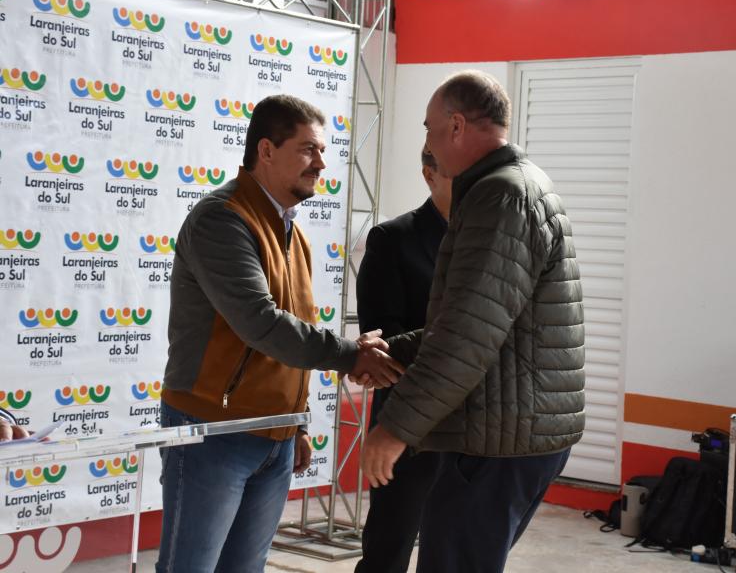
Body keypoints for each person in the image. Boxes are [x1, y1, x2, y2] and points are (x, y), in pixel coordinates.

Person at [156, 94, 403, 573]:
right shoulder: (221, 220)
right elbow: (261, 323)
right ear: (266, 150)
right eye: (308, 150)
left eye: (322, 151)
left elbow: (296, 330)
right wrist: (352, 355)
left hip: (276, 436)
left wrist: (297, 424)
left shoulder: (293, 231)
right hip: (213, 431)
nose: (321, 164)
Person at [362, 71, 586, 573]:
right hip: (511, 430)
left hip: (499, 439)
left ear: (457, 125)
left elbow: (466, 336)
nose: (428, 143)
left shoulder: (500, 197)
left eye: (429, 129)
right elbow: (479, 321)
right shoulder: (517, 186)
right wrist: (391, 351)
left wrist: (394, 428)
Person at [354, 146, 451, 573]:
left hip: (474, 429)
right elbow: (385, 347)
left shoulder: (486, 242)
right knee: (388, 552)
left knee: (454, 552)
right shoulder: (393, 239)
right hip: (406, 425)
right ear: (429, 175)